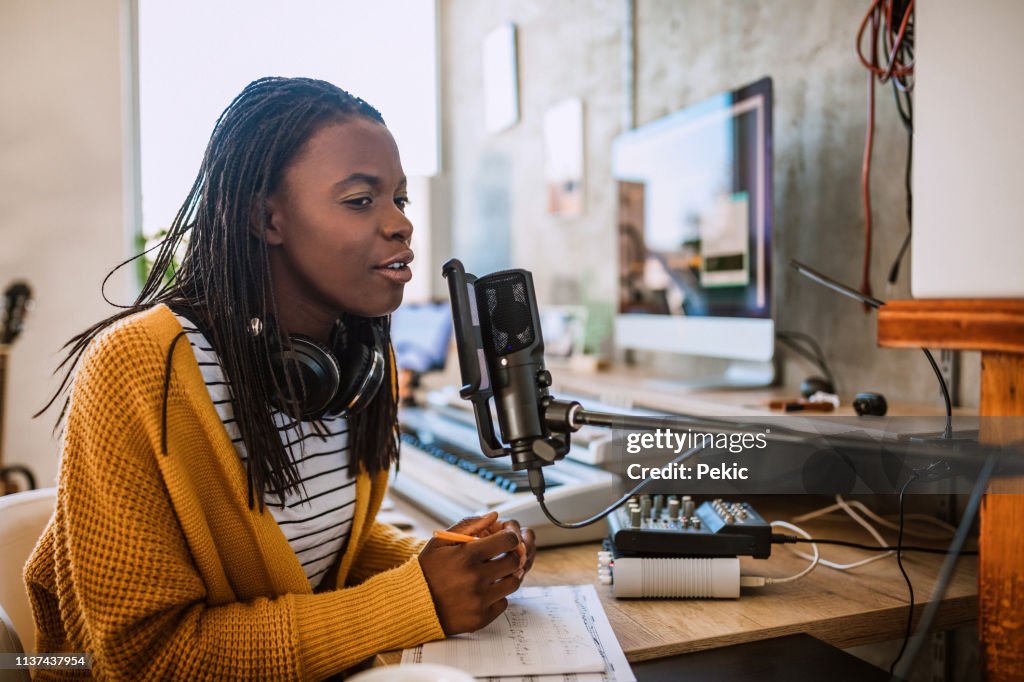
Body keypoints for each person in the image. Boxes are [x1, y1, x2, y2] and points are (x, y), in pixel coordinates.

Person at [25, 77, 536, 680]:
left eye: (400, 198)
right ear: (266, 218)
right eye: (360, 200)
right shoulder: (138, 366)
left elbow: (318, 548)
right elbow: (145, 660)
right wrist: (415, 598)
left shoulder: (352, 361)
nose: (400, 224)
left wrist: (450, 564)